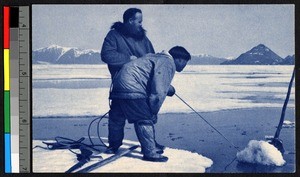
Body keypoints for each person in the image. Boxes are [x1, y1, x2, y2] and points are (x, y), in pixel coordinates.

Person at [108, 46, 191, 162]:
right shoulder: (168, 62)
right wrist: (152, 112)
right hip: (133, 87)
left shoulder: (154, 57)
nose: (184, 66)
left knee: (116, 117)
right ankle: (150, 153)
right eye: (185, 63)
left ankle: (113, 146)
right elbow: (158, 91)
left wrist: (168, 88)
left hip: (119, 85)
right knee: (144, 119)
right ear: (180, 59)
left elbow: (149, 76)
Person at [101, 8, 155, 79]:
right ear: (130, 21)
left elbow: (153, 58)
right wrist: (128, 59)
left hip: (144, 81)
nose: (141, 24)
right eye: (139, 22)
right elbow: (107, 55)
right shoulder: (114, 35)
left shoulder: (144, 39)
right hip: (123, 81)